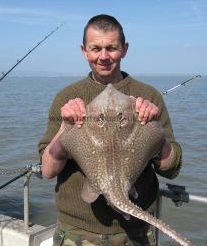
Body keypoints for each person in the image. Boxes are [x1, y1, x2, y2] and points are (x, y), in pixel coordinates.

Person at [38, 14, 182, 246]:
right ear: (84, 51)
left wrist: (155, 129)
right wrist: (66, 127)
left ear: (124, 49)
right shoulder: (67, 97)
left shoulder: (149, 96)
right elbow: (48, 170)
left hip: (134, 233)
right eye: (95, 49)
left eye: (111, 48)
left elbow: (171, 169)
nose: (103, 56)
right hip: (77, 232)